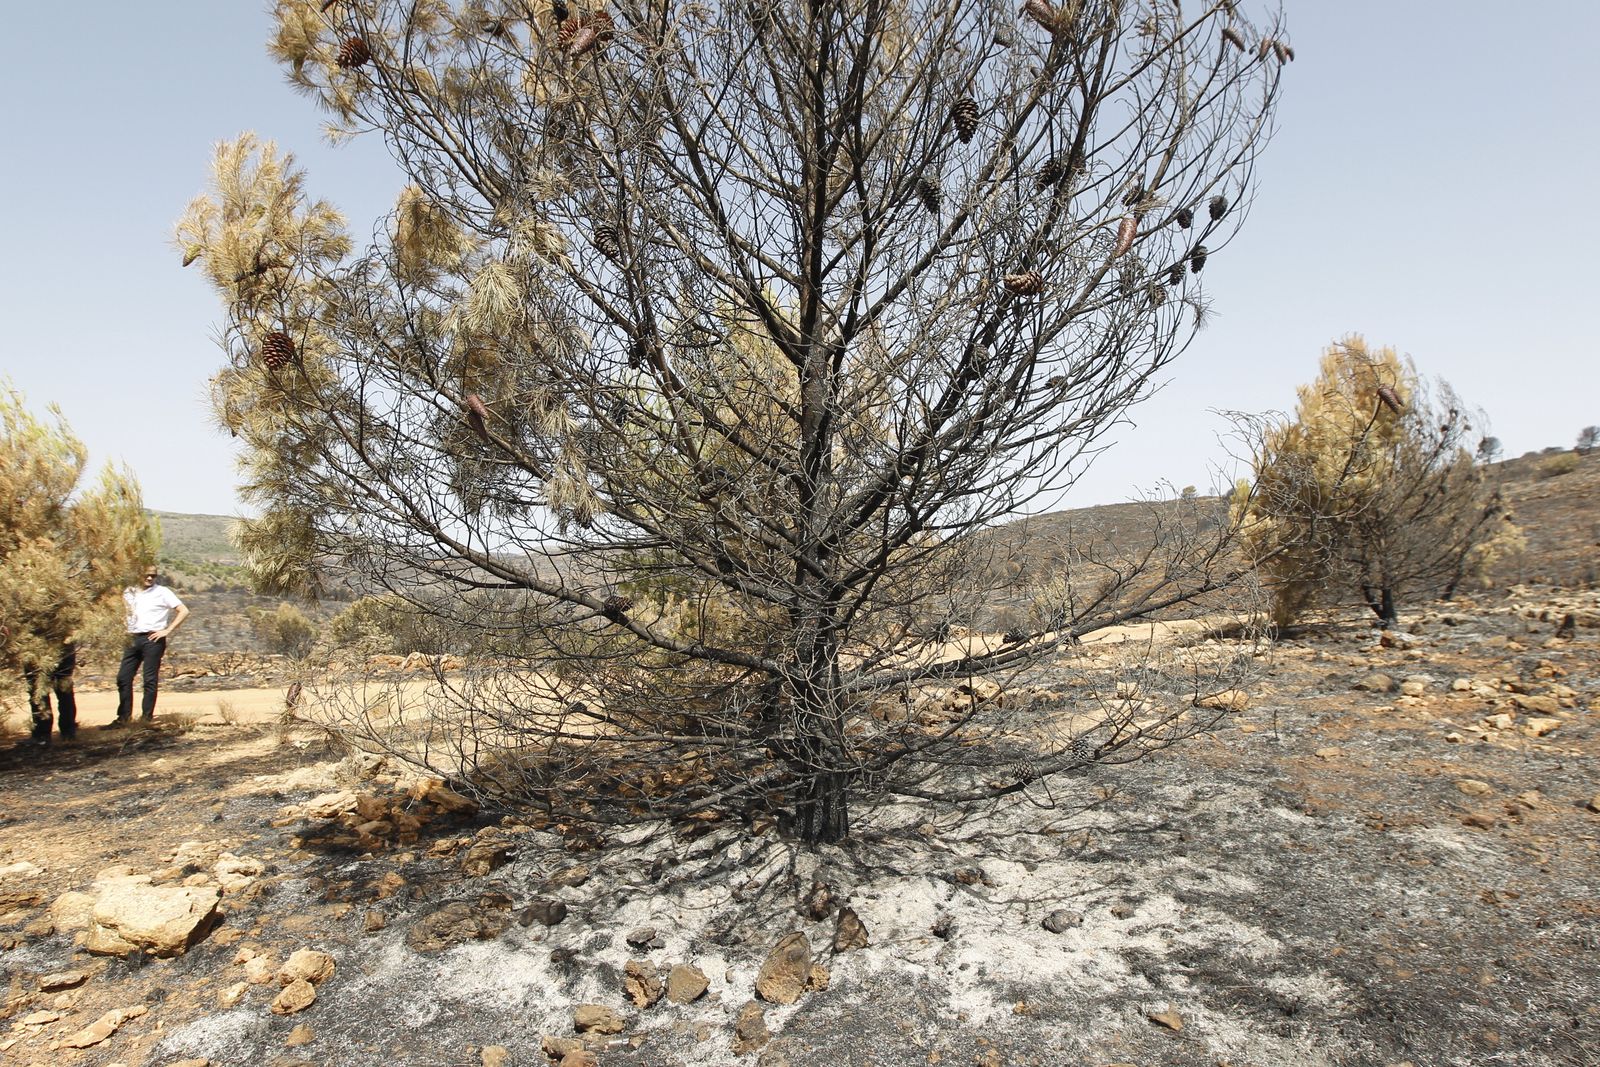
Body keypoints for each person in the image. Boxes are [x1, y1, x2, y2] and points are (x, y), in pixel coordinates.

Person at [111, 565, 189, 726]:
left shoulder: (162, 592)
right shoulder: (129, 591)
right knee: (123, 678)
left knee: (149, 679)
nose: (149, 578)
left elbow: (183, 610)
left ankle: (146, 719)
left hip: (153, 639)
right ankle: (123, 718)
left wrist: (167, 630)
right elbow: (120, 611)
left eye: (153, 576)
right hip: (132, 638)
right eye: (146, 575)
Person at [25, 643, 78, 745]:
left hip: (37, 648)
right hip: (64, 647)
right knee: (64, 692)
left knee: (39, 692)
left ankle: (42, 734)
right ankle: (68, 732)